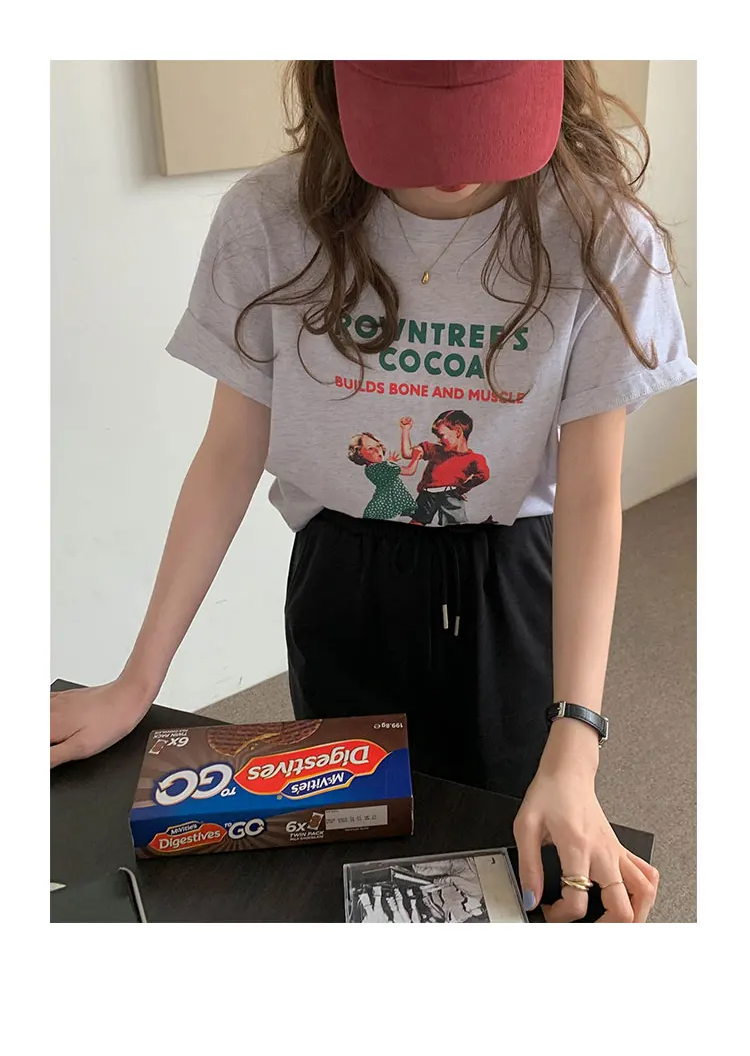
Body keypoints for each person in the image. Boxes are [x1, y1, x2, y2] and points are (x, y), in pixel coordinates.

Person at [51, 61, 696, 922]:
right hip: (343, 577)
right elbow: (230, 451)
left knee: (510, 855)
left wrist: (577, 741)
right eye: (418, 126)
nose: (452, 166)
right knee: (338, 845)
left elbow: (590, 493)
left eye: (481, 122)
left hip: (509, 582)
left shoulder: (604, 235)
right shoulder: (267, 218)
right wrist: (138, 679)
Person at [400, 410, 490, 526]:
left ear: (458, 432)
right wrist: (405, 430)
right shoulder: (434, 450)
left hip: (450, 496)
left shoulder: (474, 459)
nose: (439, 440)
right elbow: (407, 453)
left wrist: (461, 489)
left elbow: (483, 475)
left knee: (454, 526)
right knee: (416, 522)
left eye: (441, 435)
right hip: (428, 494)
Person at [347, 431, 418, 520]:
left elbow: (385, 473)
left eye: (378, 446)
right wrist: (416, 457)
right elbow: (409, 471)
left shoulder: (369, 469)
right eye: (370, 448)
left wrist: (390, 463)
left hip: (381, 505)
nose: (378, 450)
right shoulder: (384, 467)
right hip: (388, 506)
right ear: (360, 453)